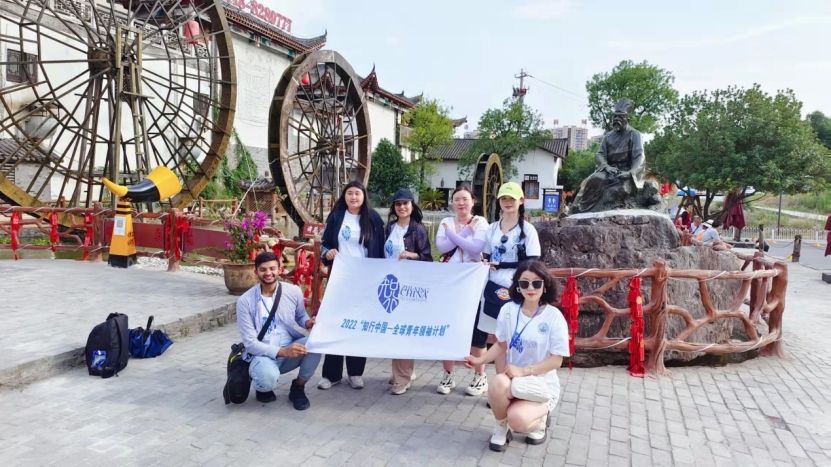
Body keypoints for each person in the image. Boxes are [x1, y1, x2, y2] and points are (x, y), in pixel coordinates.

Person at [464, 260, 569, 451]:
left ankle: (540, 419)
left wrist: (524, 371)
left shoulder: (554, 316)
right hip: (514, 379)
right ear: (518, 286)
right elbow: (501, 344)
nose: (531, 288)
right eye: (524, 283)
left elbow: (557, 360)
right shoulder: (508, 310)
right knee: (497, 383)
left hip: (541, 383)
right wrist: (478, 360)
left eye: (536, 283)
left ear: (545, 285)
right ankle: (501, 427)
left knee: (517, 419)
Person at [318, 181, 386, 390]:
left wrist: (378, 277)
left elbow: (380, 250)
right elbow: (325, 243)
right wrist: (328, 253)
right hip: (340, 279)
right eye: (349, 193)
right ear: (344, 196)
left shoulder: (373, 218)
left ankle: (355, 373)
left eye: (357, 193)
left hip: (364, 280)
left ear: (364, 196)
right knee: (336, 324)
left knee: (359, 324)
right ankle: (331, 375)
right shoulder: (337, 216)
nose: (353, 197)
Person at [236, 251, 320, 410]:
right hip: (262, 353)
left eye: (272, 268)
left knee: (315, 343)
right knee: (266, 380)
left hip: (288, 347)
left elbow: (300, 315)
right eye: (263, 269)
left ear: (279, 269)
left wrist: (308, 323)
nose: (268, 273)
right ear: (256, 272)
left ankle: (298, 387)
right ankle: (262, 385)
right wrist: (284, 352)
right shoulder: (245, 301)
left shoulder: (293, 291)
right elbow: (250, 344)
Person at [480, 182, 541, 375]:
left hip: (516, 290)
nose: (507, 202)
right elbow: (486, 255)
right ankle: (501, 380)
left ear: (521, 201)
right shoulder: (491, 228)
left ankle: (516, 379)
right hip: (492, 287)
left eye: (512, 199)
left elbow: (532, 261)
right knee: (498, 339)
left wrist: (503, 265)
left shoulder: (528, 230)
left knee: (515, 337)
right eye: (504, 198)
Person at [435, 185, 490, 396]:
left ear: (473, 201)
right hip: (450, 285)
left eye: (465, 199)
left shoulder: (481, 222)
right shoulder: (446, 222)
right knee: (448, 328)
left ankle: (480, 376)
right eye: (457, 199)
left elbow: (476, 249)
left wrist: (452, 236)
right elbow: (442, 248)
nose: (461, 203)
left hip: (474, 285)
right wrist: (465, 232)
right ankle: (448, 374)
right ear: (452, 202)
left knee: (477, 331)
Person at [383, 188, 433, 395]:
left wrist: (413, 255)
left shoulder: (418, 230)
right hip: (390, 286)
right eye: (398, 204)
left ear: (412, 206)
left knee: (402, 331)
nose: (402, 207)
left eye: (405, 203)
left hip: (409, 288)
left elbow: (428, 258)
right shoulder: (389, 227)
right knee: (393, 329)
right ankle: (404, 371)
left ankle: (402, 377)